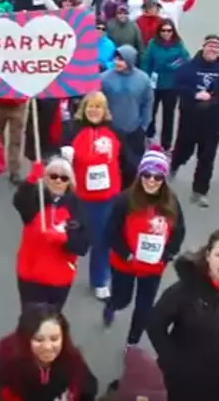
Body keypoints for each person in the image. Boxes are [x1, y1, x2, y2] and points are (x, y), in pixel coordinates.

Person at [147, 230, 219, 401]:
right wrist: (170, 361)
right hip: (186, 376)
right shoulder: (184, 290)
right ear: (208, 255)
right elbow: (155, 323)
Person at [104, 148, 185, 347]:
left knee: (144, 307)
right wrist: (127, 254)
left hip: (152, 266)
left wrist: (167, 255)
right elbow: (110, 230)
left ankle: (132, 343)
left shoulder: (171, 202)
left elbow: (179, 231)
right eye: (146, 175)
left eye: (158, 177)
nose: (151, 180)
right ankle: (112, 304)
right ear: (140, 175)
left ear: (164, 179)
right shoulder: (125, 200)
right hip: (125, 263)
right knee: (122, 298)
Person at [0, 306, 98, 401]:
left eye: (54, 339)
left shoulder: (72, 361)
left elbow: (87, 390)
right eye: (38, 339)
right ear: (25, 340)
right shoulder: (4, 366)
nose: (48, 347)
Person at [67, 92, 130, 299]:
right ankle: (63, 274)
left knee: (103, 240)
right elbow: (60, 163)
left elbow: (126, 160)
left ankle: (100, 279)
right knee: (74, 238)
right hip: (81, 197)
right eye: (90, 106)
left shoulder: (114, 132)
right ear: (83, 109)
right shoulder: (73, 131)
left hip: (107, 197)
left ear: (105, 111)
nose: (94, 110)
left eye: (99, 107)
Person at [13, 156, 90, 310]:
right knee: (31, 321)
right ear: (45, 178)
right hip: (30, 276)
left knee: (51, 320)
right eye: (53, 176)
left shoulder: (77, 206)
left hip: (59, 279)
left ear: (70, 182)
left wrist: (64, 239)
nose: (58, 181)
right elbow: (19, 202)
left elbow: (82, 245)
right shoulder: (36, 200)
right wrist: (30, 182)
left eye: (64, 178)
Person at [170, 34, 219, 207]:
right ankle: (176, 163)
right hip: (189, 117)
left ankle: (200, 191)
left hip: (212, 120)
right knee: (184, 149)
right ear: (204, 47)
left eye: (216, 48)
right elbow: (177, 85)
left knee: (207, 157)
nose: (212, 50)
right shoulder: (189, 66)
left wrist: (212, 100)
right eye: (210, 46)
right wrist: (194, 94)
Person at [100, 46, 152, 182]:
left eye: (121, 60)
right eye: (116, 59)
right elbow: (99, 103)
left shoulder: (143, 79)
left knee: (132, 166)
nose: (117, 62)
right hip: (111, 129)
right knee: (112, 164)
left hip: (134, 130)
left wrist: (144, 126)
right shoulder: (104, 78)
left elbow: (147, 103)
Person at [139, 19, 188, 152]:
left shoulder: (178, 45)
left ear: (173, 31)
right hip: (154, 84)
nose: (166, 33)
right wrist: (146, 79)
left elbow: (186, 61)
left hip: (172, 85)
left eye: (169, 30)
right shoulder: (153, 44)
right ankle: (149, 135)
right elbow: (146, 62)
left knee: (169, 115)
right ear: (159, 31)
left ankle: (166, 144)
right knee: (151, 111)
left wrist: (174, 66)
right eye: (163, 30)